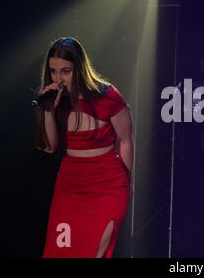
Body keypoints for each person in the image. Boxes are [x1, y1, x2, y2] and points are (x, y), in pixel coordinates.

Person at [36, 37, 133, 258]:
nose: (58, 78)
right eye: (53, 71)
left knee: (94, 251)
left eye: (65, 71)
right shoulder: (57, 100)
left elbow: (126, 140)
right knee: (61, 252)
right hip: (70, 187)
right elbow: (50, 147)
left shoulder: (108, 96)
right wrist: (48, 111)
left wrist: (128, 183)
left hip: (107, 186)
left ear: (79, 69)